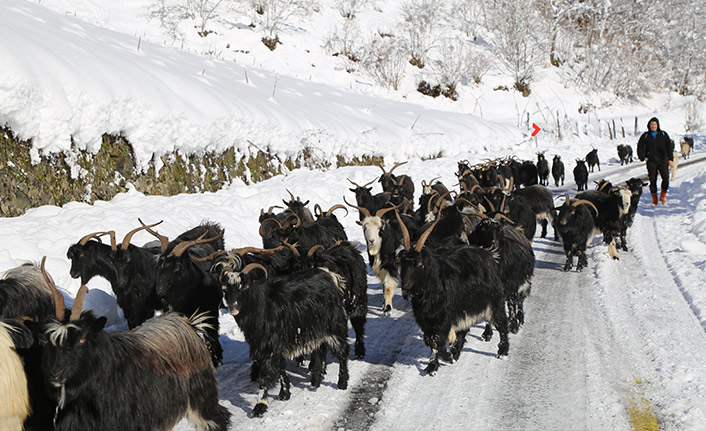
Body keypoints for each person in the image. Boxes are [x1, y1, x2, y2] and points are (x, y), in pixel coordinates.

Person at [637, 117, 674, 205]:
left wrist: (670, 158)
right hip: (651, 162)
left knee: (665, 178)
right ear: (649, 125)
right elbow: (640, 147)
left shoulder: (663, 134)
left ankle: (663, 195)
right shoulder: (645, 136)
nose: (653, 126)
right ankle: (655, 199)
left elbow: (669, 147)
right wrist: (643, 157)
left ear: (658, 125)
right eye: (652, 124)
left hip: (663, 160)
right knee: (653, 180)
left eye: (655, 124)